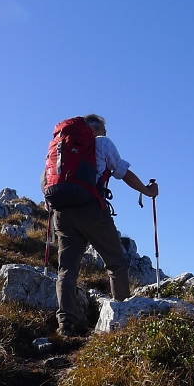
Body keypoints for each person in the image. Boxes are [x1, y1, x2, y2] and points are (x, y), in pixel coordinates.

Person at [48, 114, 158, 336]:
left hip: (62, 213)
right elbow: (122, 172)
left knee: (67, 269)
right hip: (91, 209)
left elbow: (46, 181)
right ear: (97, 129)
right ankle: (122, 318)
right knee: (115, 262)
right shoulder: (102, 143)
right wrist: (147, 191)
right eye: (103, 130)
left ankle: (65, 324)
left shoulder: (59, 148)